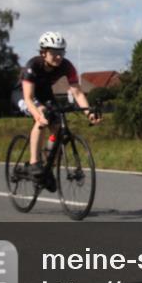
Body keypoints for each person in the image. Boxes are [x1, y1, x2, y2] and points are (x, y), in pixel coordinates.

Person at [19, 32, 100, 183]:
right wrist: (38, 116)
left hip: (45, 93)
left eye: (61, 52)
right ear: (43, 53)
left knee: (56, 126)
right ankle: (34, 163)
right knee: (42, 116)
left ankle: (48, 165)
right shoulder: (33, 65)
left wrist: (88, 113)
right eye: (54, 53)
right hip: (24, 93)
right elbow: (29, 98)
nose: (58, 57)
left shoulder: (67, 66)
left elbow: (77, 92)